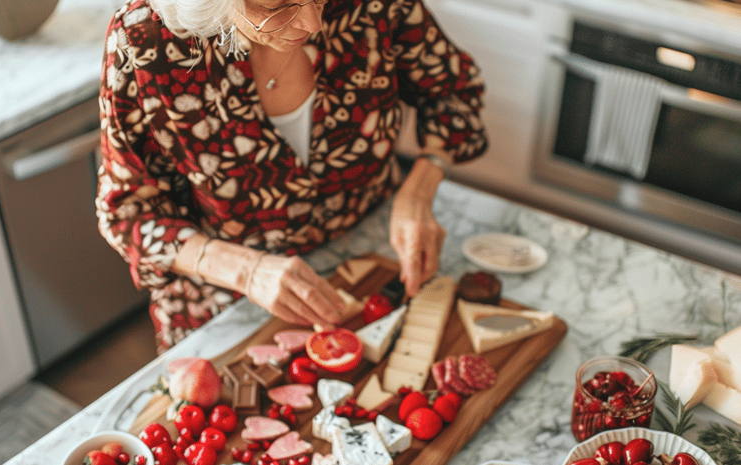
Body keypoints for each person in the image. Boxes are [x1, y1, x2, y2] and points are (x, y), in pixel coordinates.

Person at [97, 0, 488, 352]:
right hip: (227, 303)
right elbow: (127, 210)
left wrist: (417, 190)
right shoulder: (142, 42)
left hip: (372, 257)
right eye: (278, 6)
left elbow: (453, 95)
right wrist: (246, 271)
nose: (314, 23)